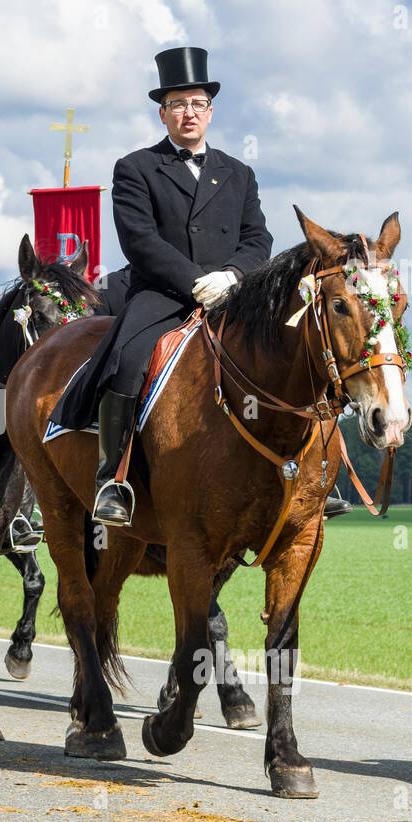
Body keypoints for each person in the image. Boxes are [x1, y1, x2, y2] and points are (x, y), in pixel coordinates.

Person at [51, 47, 317, 525]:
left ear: (210, 112)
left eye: (196, 104)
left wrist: (233, 275)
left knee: (299, 352)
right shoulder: (135, 167)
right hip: (163, 295)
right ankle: (113, 480)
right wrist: (196, 282)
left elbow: (259, 236)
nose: (188, 113)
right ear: (163, 113)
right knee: (127, 360)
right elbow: (140, 240)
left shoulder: (239, 172)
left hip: (235, 296)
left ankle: (313, 475)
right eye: (178, 105)